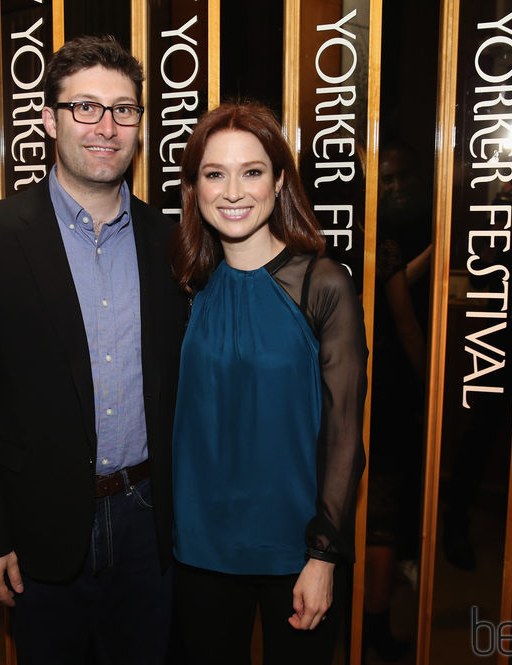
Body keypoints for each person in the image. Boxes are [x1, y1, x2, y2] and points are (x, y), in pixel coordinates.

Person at [0, 35, 188, 665]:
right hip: (37, 526)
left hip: (149, 521)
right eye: (86, 107)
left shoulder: (173, 239)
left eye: (123, 109)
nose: (106, 126)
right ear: (49, 120)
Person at [170, 103, 367, 665]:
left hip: (295, 552)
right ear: (195, 187)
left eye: (252, 171)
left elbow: (344, 433)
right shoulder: (185, 285)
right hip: (199, 550)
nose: (233, 190)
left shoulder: (322, 284)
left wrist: (324, 557)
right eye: (215, 173)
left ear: (280, 181)